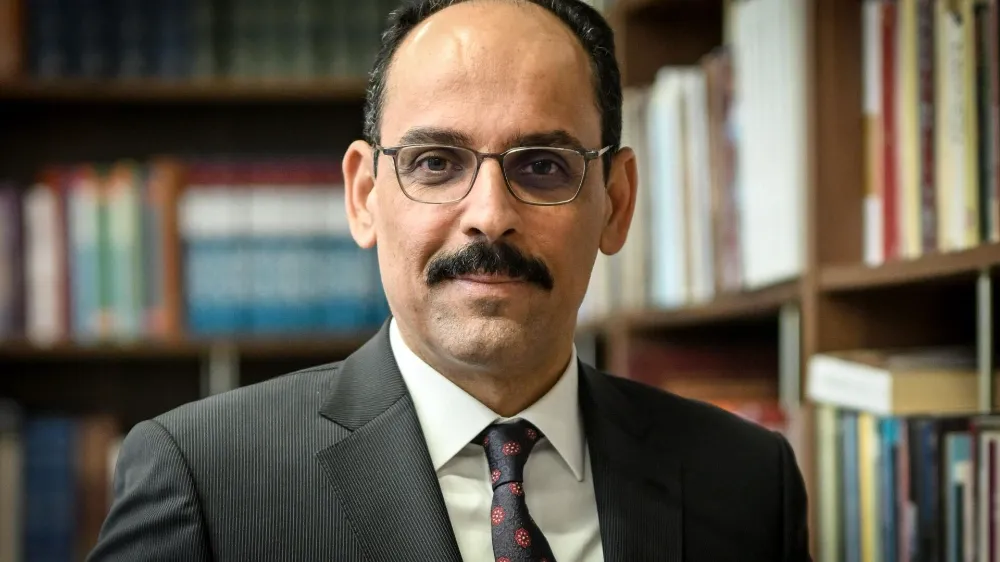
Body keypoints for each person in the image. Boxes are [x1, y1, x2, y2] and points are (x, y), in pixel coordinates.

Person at [88, 1, 812, 561]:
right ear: (364, 197)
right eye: (436, 163)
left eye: (543, 166)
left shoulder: (746, 481)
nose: (489, 217)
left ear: (616, 204)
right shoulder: (205, 480)